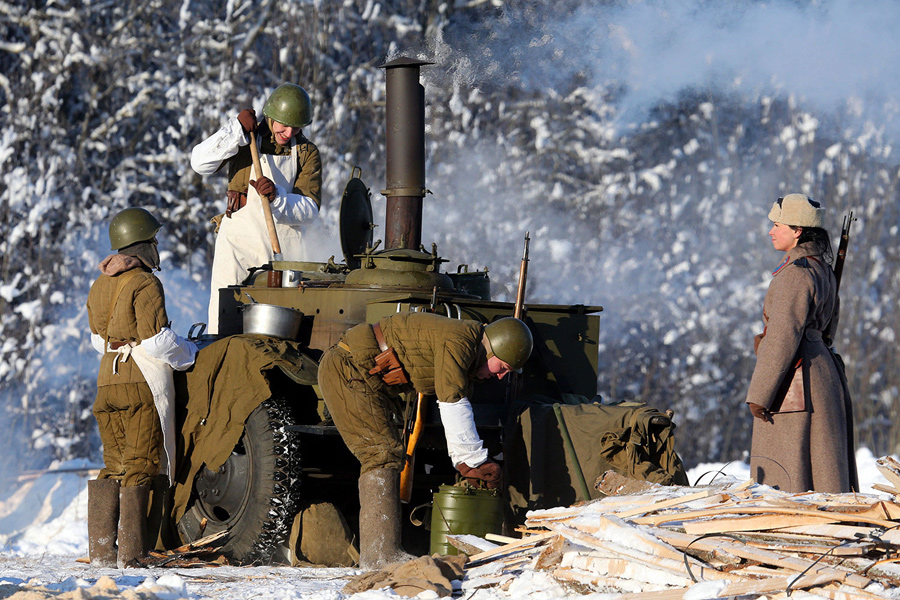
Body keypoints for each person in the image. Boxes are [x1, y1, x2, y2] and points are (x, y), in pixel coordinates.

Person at [317, 312, 533, 569]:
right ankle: (380, 556)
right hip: (349, 369)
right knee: (381, 453)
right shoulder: (461, 340)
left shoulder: (467, 352)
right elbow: (452, 401)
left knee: (387, 453)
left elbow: (455, 407)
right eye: (503, 367)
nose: (501, 376)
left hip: (366, 377)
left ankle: (383, 554)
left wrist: (466, 462)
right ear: (493, 348)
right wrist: (472, 461)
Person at [86, 207, 198, 567]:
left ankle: (102, 553)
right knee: (140, 464)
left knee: (113, 464)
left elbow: (97, 340)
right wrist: (190, 352)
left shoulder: (99, 284)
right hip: (140, 381)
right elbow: (156, 342)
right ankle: (133, 555)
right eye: (153, 240)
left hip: (107, 379)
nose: (157, 246)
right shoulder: (146, 283)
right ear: (142, 244)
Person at [745, 193, 857, 493]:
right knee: (823, 473)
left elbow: (782, 337)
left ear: (797, 230)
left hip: (797, 381)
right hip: (823, 375)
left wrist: (760, 394)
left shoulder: (795, 274)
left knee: (788, 479)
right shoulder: (821, 269)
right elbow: (828, 328)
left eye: (777, 225)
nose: (771, 231)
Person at [191, 83, 322, 333]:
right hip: (238, 244)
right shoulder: (243, 140)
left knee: (280, 325)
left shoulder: (307, 153)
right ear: (271, 116)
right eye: (284, 125)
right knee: (225, 317)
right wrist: (234, 130)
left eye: (296, 127)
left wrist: (277, 197)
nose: (289, 132)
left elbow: (310, 208)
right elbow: (200, 163)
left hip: (285, 247)